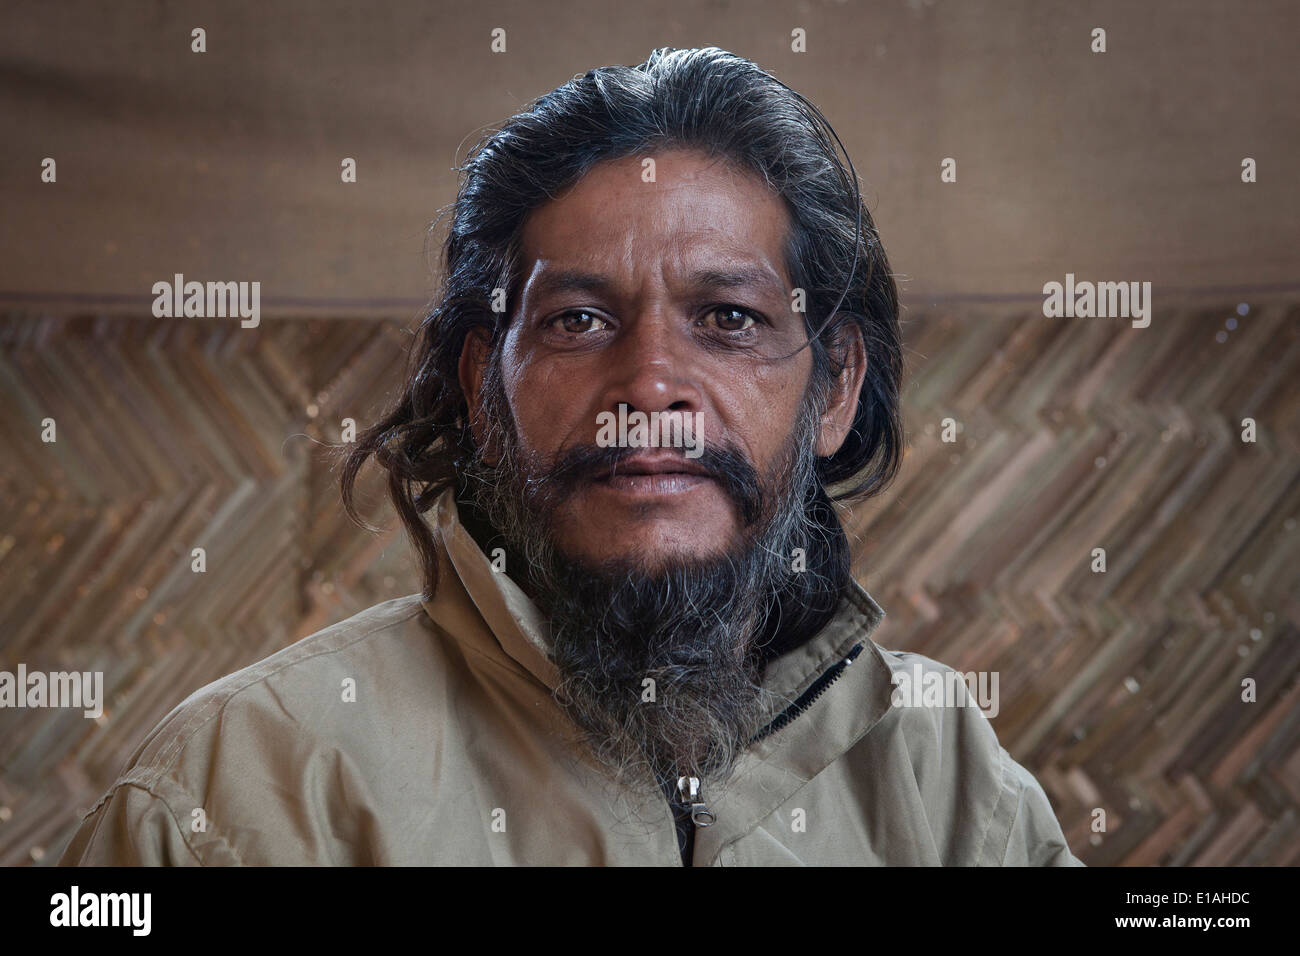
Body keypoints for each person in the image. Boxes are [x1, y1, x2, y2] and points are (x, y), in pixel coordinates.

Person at [60, 46, 1081, 866]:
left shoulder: (948, 785)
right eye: (579, 319)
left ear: (835, 387)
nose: (649, 383)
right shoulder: (242, 788)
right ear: (480, 382)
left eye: (727, 318)